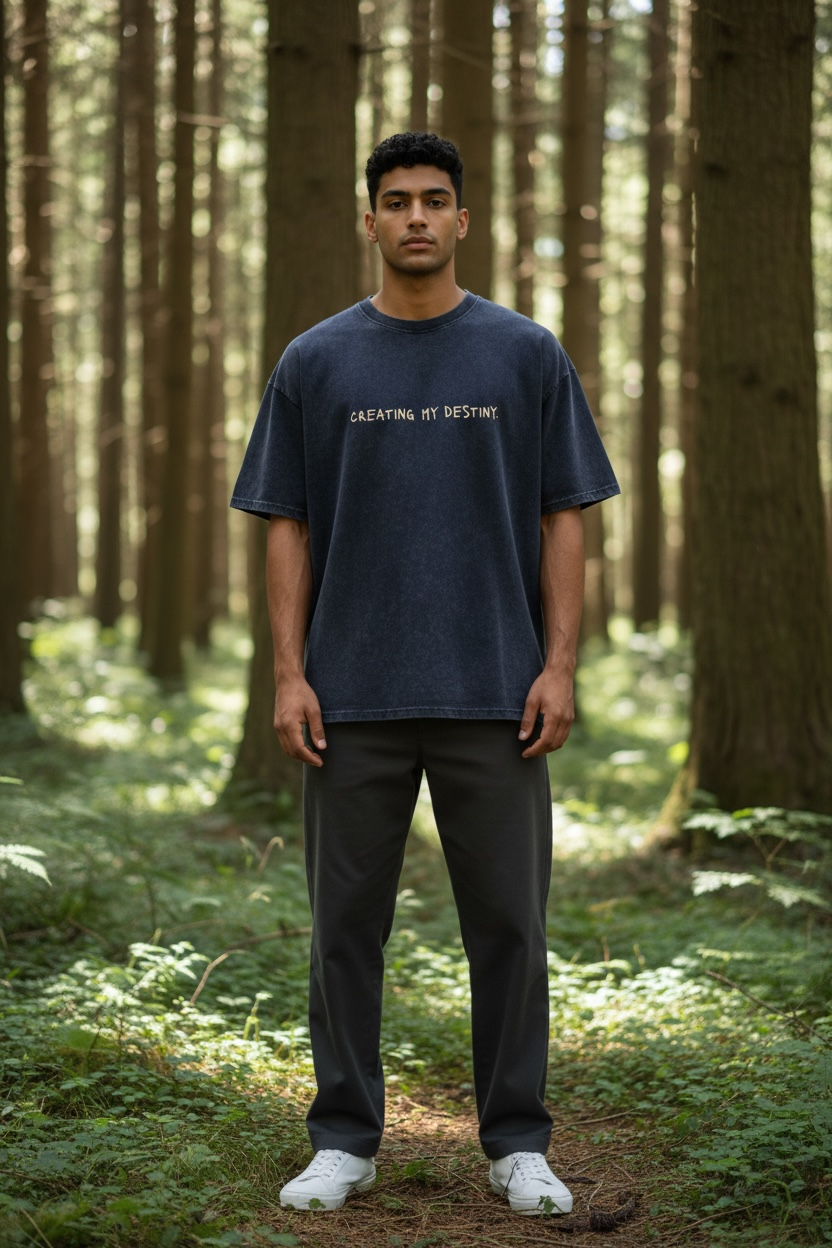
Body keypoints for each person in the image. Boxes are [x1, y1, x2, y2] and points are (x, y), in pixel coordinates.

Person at [230, 132, 619, 1217]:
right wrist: (289, 675)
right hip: (347, 699)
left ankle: (518, 1143)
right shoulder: (314, 360)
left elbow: (565, 514)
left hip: (497, 695)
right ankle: (342, 1140)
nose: (414, 216)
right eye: (396, 200)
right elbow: (284, 521)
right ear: (370, 220)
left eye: (434, 200)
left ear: (461, 220)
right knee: (343, 933)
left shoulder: (524, 353)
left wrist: (558, 666)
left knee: (511, 929)